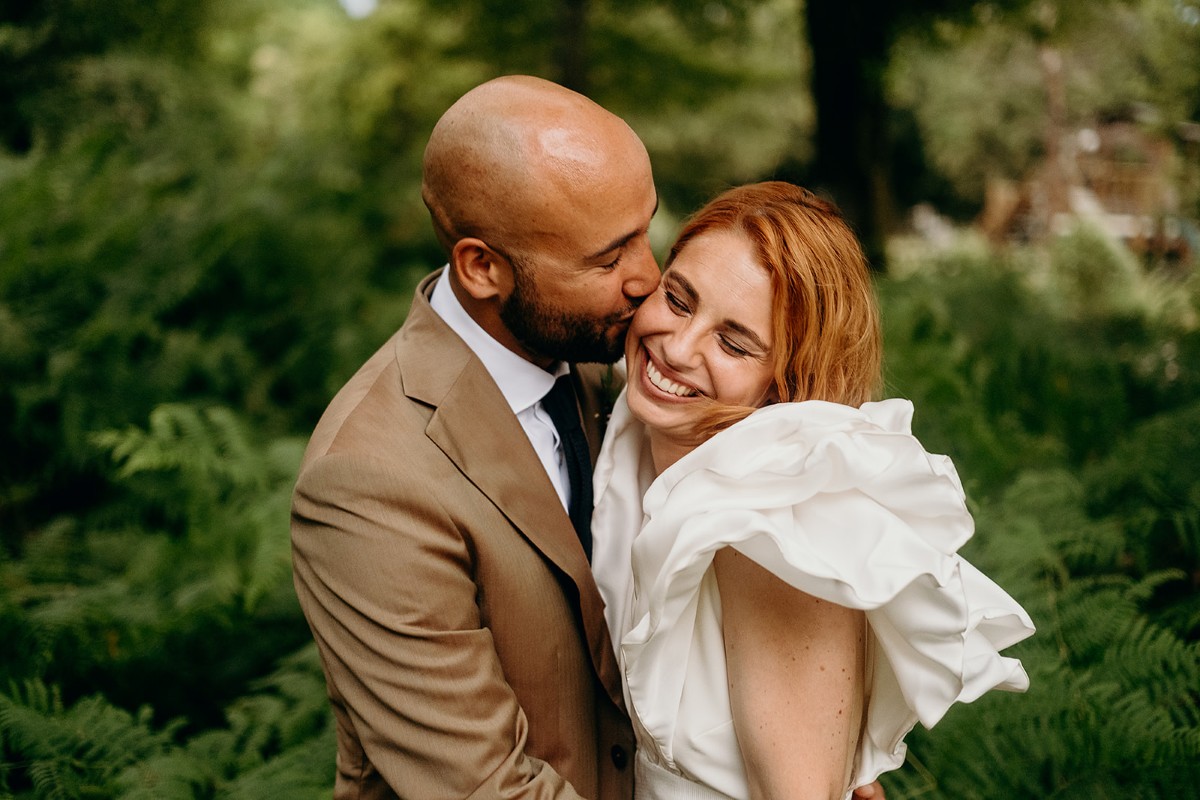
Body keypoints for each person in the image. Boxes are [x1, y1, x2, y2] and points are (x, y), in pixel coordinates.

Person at [591, 181, 1036, 799]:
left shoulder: (770, 531)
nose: (678, 346)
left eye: (734, 341)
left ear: (786, 385)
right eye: (679, 298)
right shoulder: (633, 429)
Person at [290, 75, 658, 798]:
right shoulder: (368, 481)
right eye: (608, 259)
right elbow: (485, 788)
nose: (648, 277)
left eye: (648, 228)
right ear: (482, 267)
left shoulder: (606, 367)